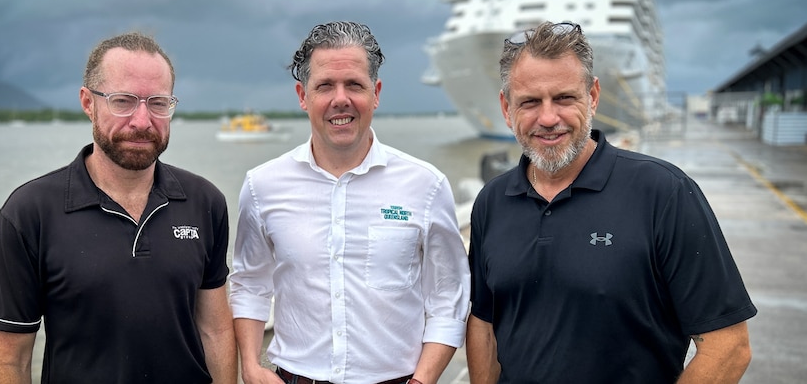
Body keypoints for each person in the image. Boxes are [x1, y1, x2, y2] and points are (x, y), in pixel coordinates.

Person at [465, 21, 757, 384]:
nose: (548, 118)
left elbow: (728, 346)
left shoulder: (664, 192)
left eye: (564, 98)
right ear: (507, 109)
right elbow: (484, 325)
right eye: (529, 102)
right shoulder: (492, 202)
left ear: (593, 96)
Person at [0, 32, 236, 384]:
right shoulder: (29, 213)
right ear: (88, 102)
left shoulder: (205, 202)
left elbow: (216, 331)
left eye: (158, 103)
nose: (142, 121)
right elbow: (10, 362)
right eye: (123, 101)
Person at [229, 21, 470, 384]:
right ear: (302, 95)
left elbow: (449, 296)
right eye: (324, 85)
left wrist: (423, 379)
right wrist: (250, 365)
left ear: (376, 93)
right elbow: (249, 282)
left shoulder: (426, 186)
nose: (340, 99)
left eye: (354, 85)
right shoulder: (262, 185)